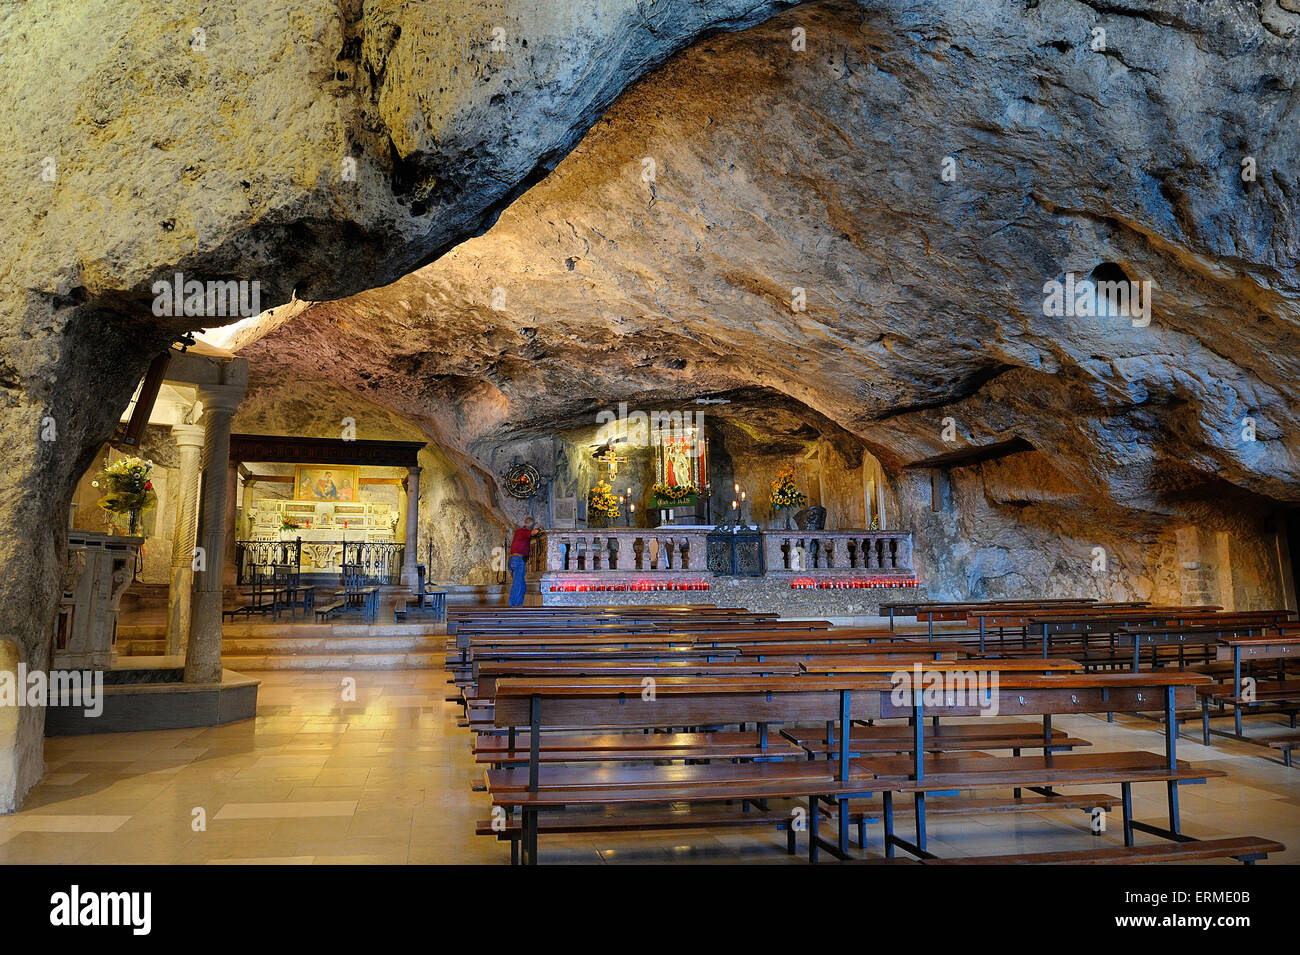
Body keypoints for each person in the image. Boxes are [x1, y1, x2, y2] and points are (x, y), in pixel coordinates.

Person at [508, 517, 539, 607]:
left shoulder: (518, 531)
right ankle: (514, 606)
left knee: (522, 585)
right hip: (518, 560)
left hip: (512, 560)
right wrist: (538, 529)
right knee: (518, 585)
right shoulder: (525, 531)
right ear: (530, 525)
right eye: (532, 525)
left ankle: (518, 604)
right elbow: (534, 532)